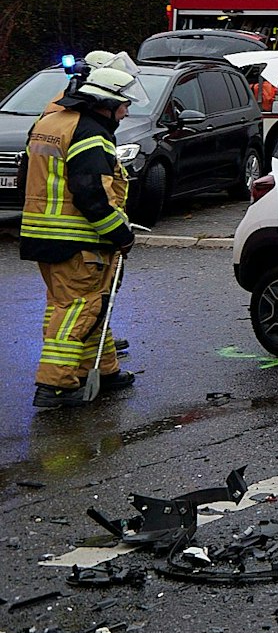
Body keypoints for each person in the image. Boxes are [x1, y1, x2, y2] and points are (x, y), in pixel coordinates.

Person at [20, 63, 143, 408]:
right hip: (79, 240)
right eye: (123, 103)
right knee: (80, 307)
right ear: (104, 103)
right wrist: (121, 234)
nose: (126, 110)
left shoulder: (50, 122)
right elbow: (92, 195)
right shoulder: (90, 134)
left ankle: (103, 370)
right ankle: (55, 385)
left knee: (82, 306)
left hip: (44, 236)